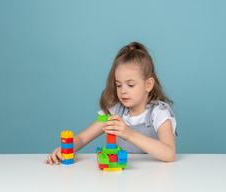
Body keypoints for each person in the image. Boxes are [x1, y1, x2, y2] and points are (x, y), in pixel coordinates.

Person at [44, 42, 177, 165]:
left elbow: (169, 154)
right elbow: (83, 138)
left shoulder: (159, 113)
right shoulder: (115, 112)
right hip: (121, 175)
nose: (123, 91)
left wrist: (129, 134)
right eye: (118, 85)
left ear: (148, 85)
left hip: (153, 177)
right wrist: (65, 149)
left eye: (130, 85)